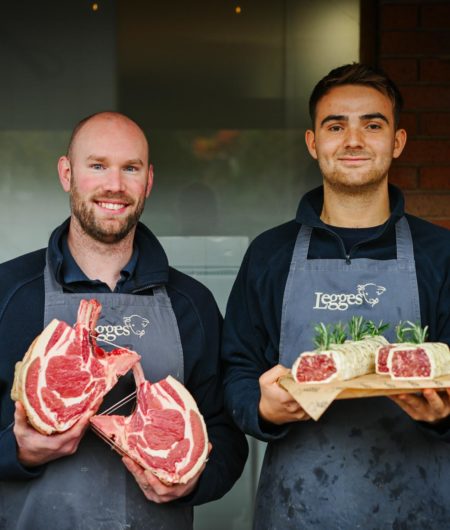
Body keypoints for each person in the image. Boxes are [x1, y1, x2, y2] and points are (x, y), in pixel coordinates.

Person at [221, 63, 450, 529]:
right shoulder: (270, 253)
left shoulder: (440, 253)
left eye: (372, 124)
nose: (353, 140)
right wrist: (262, 409)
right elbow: (237, 369)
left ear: (398, 142)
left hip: (419, 511)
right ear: (313, 143)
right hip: (296, 511)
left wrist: (444, 414)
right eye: (335, 125)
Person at [0, 111, 248, 530]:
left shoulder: (193, 303)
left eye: (129, 168)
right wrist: (16, 451)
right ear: (67, 173)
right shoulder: (8, 292)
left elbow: (226, 435)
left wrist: (192, 482)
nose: (114, 185)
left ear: (148, 180)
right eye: (97, 166)